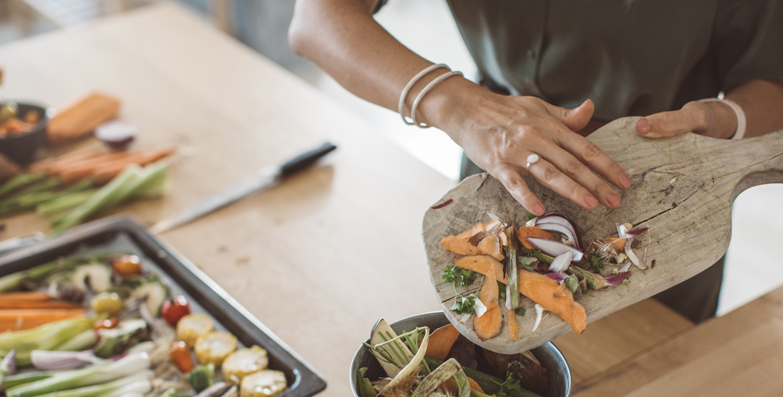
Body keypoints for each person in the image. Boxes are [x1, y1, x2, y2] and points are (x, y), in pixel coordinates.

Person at [288, 0, 783, 322]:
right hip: (498, 173)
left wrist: (725, 119)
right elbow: (318, 19)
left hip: (663, 204)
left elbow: (772, 79)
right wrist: (455, 103)